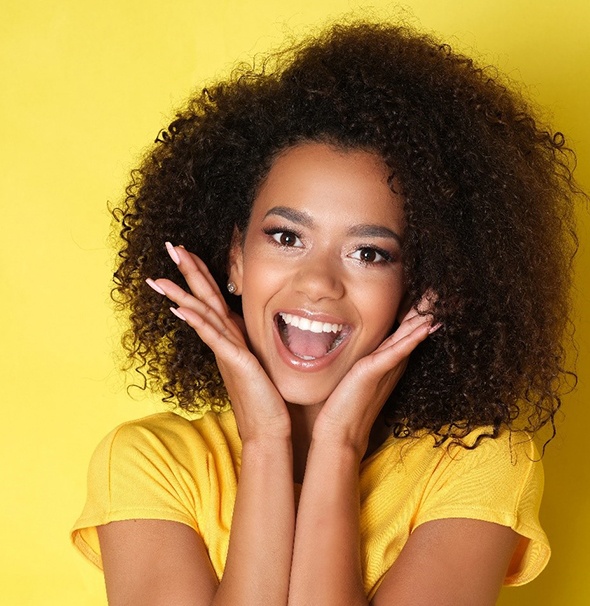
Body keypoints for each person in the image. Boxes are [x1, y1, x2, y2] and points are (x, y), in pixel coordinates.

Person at [71, 21, 580, 605]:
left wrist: (340, 446)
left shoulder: (478, 465)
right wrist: (264, 440)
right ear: (236, 257)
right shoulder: (151, 462)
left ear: (422, 283)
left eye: (370, 253)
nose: (317, 282)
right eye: (286, 237)